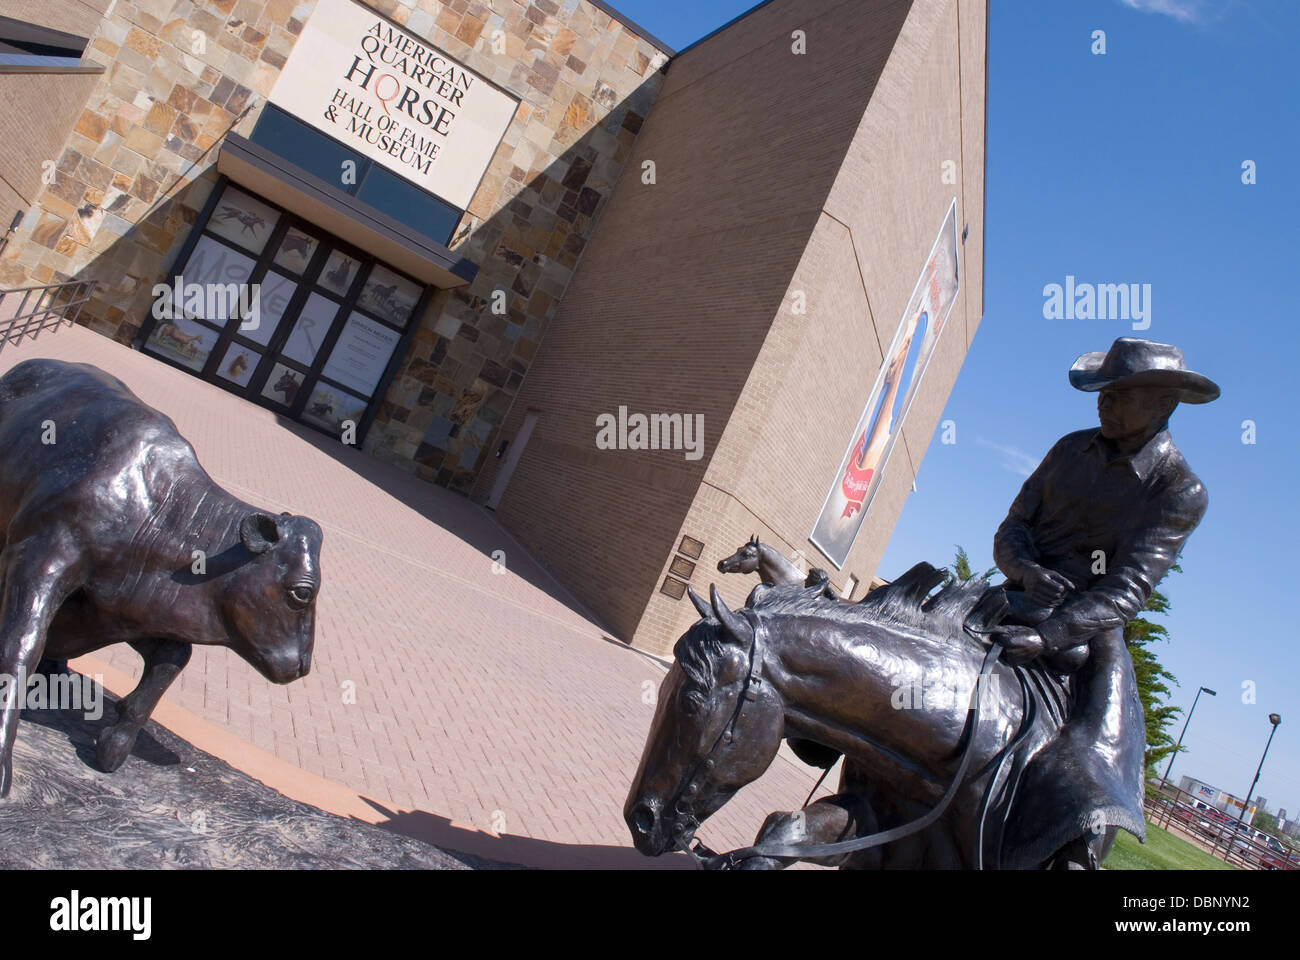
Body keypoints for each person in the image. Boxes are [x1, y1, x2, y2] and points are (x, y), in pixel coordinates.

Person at [990, 337, 1220, 868]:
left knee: (1103, 744)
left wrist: (1049, 636)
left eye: (1120, 393)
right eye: (1104, 390)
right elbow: (1013, 527)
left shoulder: (1180, 490)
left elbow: (1127, 590)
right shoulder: (1070, 448)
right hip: (1014, 596)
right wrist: (1026, 570)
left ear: (1164, 403)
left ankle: (1075, 845)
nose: (1104, 401)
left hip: (1088, 629)